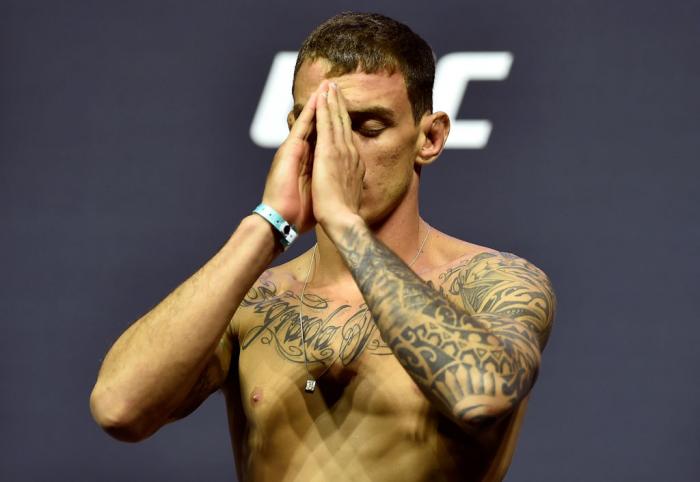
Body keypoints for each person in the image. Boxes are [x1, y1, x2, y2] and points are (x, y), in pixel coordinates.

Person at [89, 12, 557, 482]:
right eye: (320, 127)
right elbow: (119, 408)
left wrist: (345, 224)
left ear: (429, 137)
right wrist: (268, 224)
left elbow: (483, 392)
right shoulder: (256, 300)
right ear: (293, 129)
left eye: (368, 128)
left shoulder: (492, 282)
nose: (341, 153)